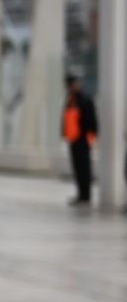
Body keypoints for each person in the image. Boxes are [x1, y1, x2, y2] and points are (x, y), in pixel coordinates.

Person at [61, 74, 98, 206]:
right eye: (70, 85)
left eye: (73, 84)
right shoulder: (71, 99)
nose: (71, 87)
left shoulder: (85, 99)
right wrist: (65, 134)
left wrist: (91, 137)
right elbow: (66, 119)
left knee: (84, 168)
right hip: (73, 139)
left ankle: (86, 196)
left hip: (83, 139)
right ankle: (81, 194)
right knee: (77, 168)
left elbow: (92, 120)